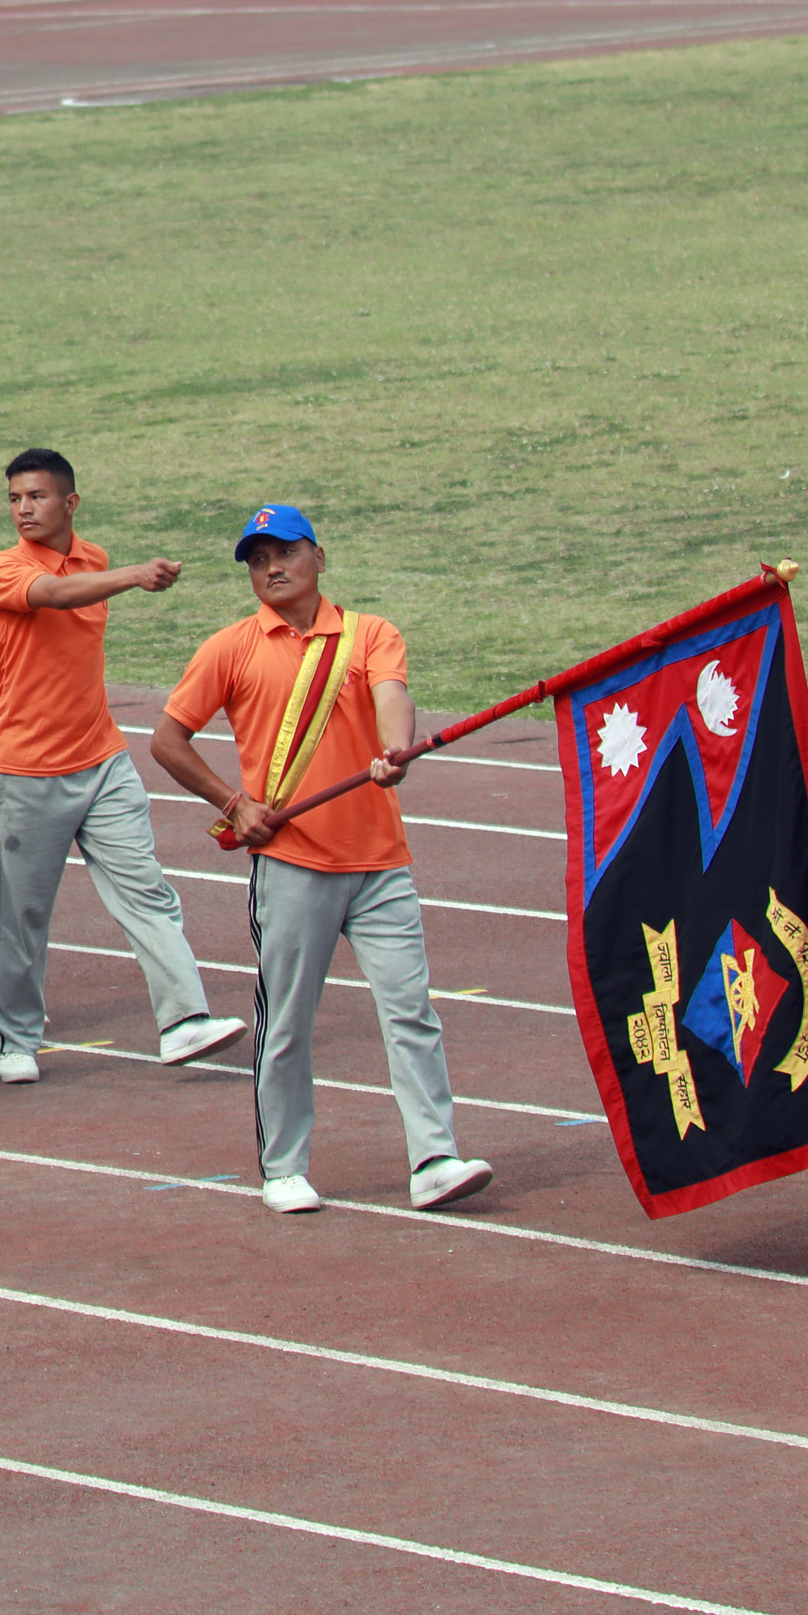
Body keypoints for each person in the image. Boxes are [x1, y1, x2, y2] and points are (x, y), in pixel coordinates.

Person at [149, 503, 490, 1217]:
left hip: (379, 862)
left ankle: (433, 1156)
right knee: (289, 1022)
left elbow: (394, 699)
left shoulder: (371, 635)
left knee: (411, 1010)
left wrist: (396, 751)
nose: (271, 567)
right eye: (255, 558)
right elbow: (169, 740)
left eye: (285, 552)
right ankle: (284, 1167)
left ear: (319, 557)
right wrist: (232, 803)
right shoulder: (231, 648)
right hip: (293, 865)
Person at [0, 450, 245, 1082]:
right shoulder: (2, 568)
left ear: (69, 503)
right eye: (14, 499)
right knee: (21, 913)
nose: (23, 510)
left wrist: (119, 572)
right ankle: (15, 1038)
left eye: (36, 497)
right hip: (27, 769)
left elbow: (79, 581)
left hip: (102, 760)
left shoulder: (91, 556)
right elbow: (55, 595)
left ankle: (184, 1020)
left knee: (146, 889)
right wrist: (132, 576)